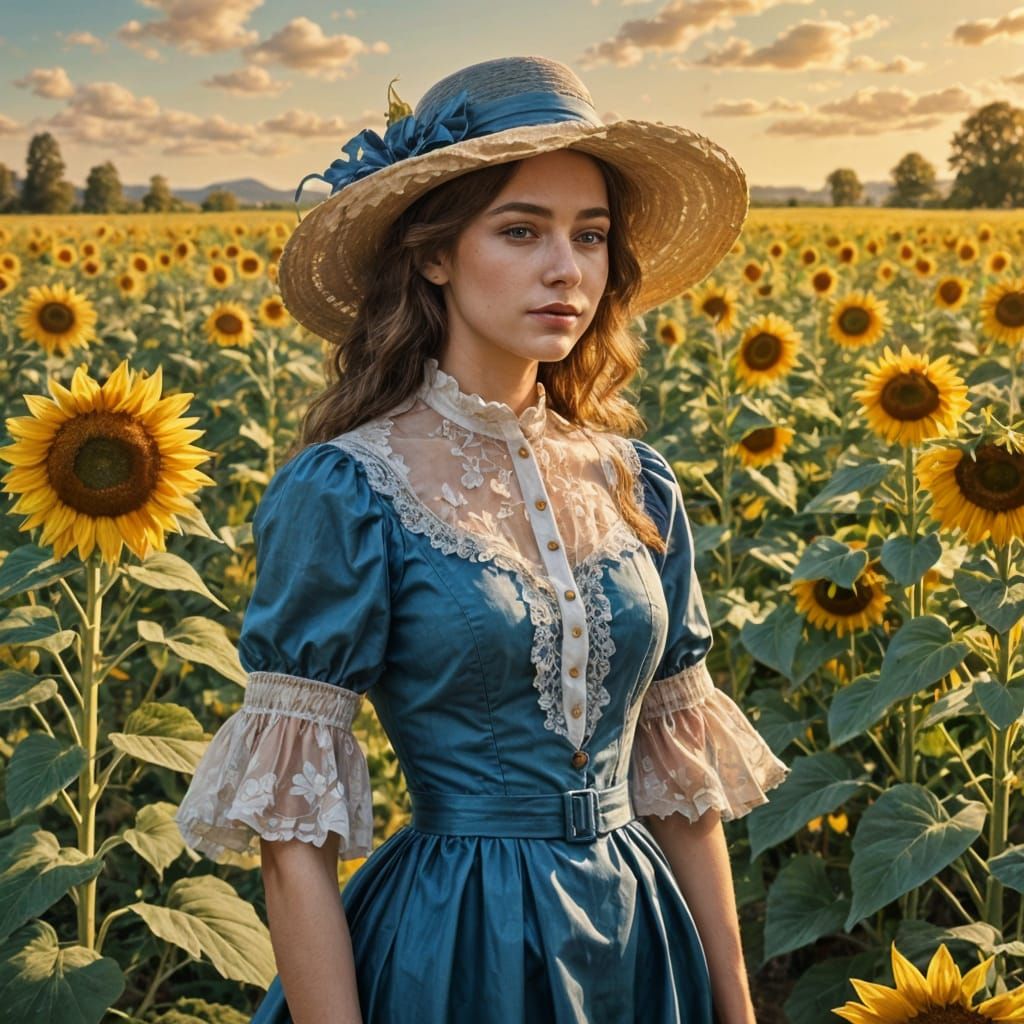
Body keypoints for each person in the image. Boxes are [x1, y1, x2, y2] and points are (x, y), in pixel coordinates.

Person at [175, 55, 790, 1024]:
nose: (566, 268)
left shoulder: (636, 480)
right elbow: (292, 837)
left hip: (640, 939)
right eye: (520, 230)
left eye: (589, 236)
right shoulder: (351, 487)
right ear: (431, 253)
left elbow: (680, 793)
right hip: (455, 945)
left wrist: (736, 1009)